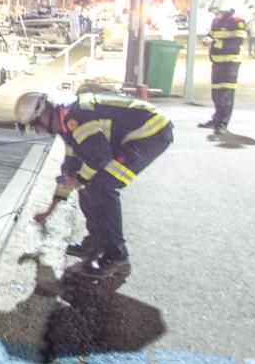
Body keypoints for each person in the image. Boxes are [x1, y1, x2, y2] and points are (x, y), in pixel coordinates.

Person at [15, 90, 173, 278]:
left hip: (150, 133)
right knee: (87, 184)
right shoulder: (66, 126)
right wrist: (49, 210)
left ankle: (117, 258)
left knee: (102, 187)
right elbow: (71, 172)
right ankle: (97, 242)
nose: (36, 131)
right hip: (133, 134)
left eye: (34, 125)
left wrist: (80, 179)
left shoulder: (77, 120)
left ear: (43, 115)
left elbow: (99, 157)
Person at [199, 0, 247, 133]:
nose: (216, 15)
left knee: (226, 93)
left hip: (230, 62)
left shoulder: (237, 21)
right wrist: (207, 39)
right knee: (216, 93)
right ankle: (216, 119)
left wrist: (214, 43)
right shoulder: (216, 21)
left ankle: (222, 124)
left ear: (225, 10)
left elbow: (238, 41)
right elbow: (211, 35)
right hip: (217, 61)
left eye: (218, 12)